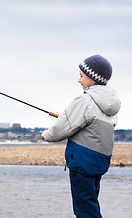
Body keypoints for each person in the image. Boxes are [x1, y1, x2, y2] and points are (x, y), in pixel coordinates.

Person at [41, 55, 121, 218]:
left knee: (84, 209)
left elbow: (60, 129)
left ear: (92, 79)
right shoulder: (110, 106)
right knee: (91, 202)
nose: (79, 80)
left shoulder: (85, 101)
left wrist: (47, 135)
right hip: (98, 162)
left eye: (81, 76)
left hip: (83, 162)